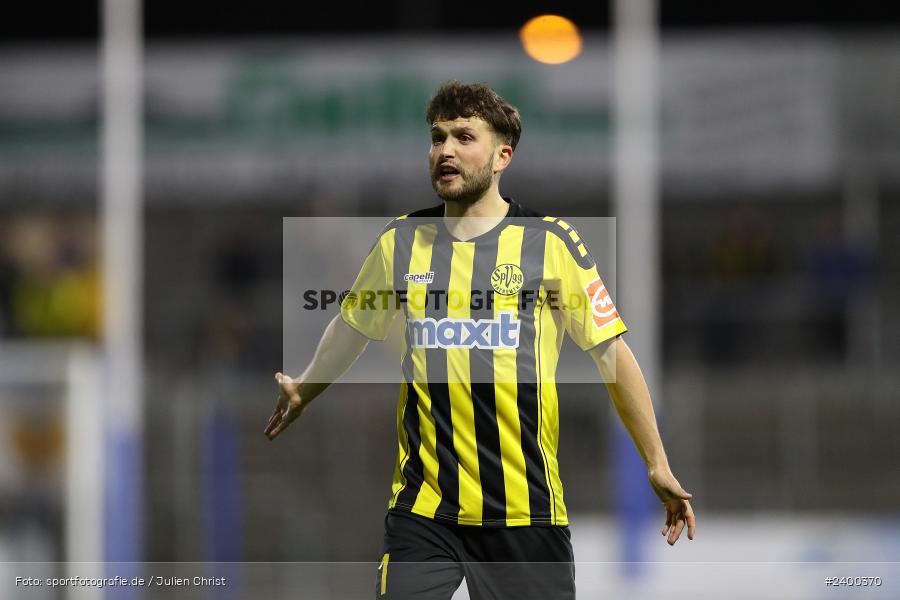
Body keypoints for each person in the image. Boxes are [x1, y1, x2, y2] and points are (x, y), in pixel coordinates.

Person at [265, 80, 695, 599]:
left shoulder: (550, 243)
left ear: (501, 157)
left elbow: (611, 353)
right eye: (438, 137)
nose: (445, 150)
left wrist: (656, 461)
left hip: (526, 513)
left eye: (464, 137)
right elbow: (353, 325)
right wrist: (306, 387)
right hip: (424, 511)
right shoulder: (400, 242)